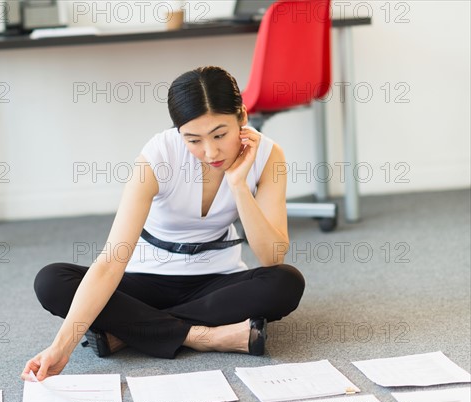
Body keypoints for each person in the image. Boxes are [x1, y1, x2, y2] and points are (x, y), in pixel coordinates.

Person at [21, 66, 305, 381]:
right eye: (193, 139)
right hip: (146, 281)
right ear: (178, 131)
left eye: (220, 134)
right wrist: (61, 347)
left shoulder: (267, 155)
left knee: (285, 282)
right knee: (51, 281)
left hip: (215, 282)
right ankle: (204, 336)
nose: (210, 151)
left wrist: (239, 185)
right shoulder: (158, 156)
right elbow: (111, 263)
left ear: (242, 117)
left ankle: (126, 332)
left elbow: (271, 257)